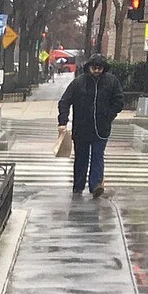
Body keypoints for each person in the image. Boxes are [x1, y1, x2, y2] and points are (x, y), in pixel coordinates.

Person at [57, 52, 123, 197]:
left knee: (97, 156)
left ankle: (96, 185)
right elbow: (65, 101)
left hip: (101, 127)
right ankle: (78, 185)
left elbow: (119, 101)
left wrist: (109, 116)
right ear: (89, 68)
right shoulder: (78, 83)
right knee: (81, 157)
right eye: (94, 68)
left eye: (99, 68)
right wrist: (63, 121)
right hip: (82, 128)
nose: (97, 71)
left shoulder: (111, 82)